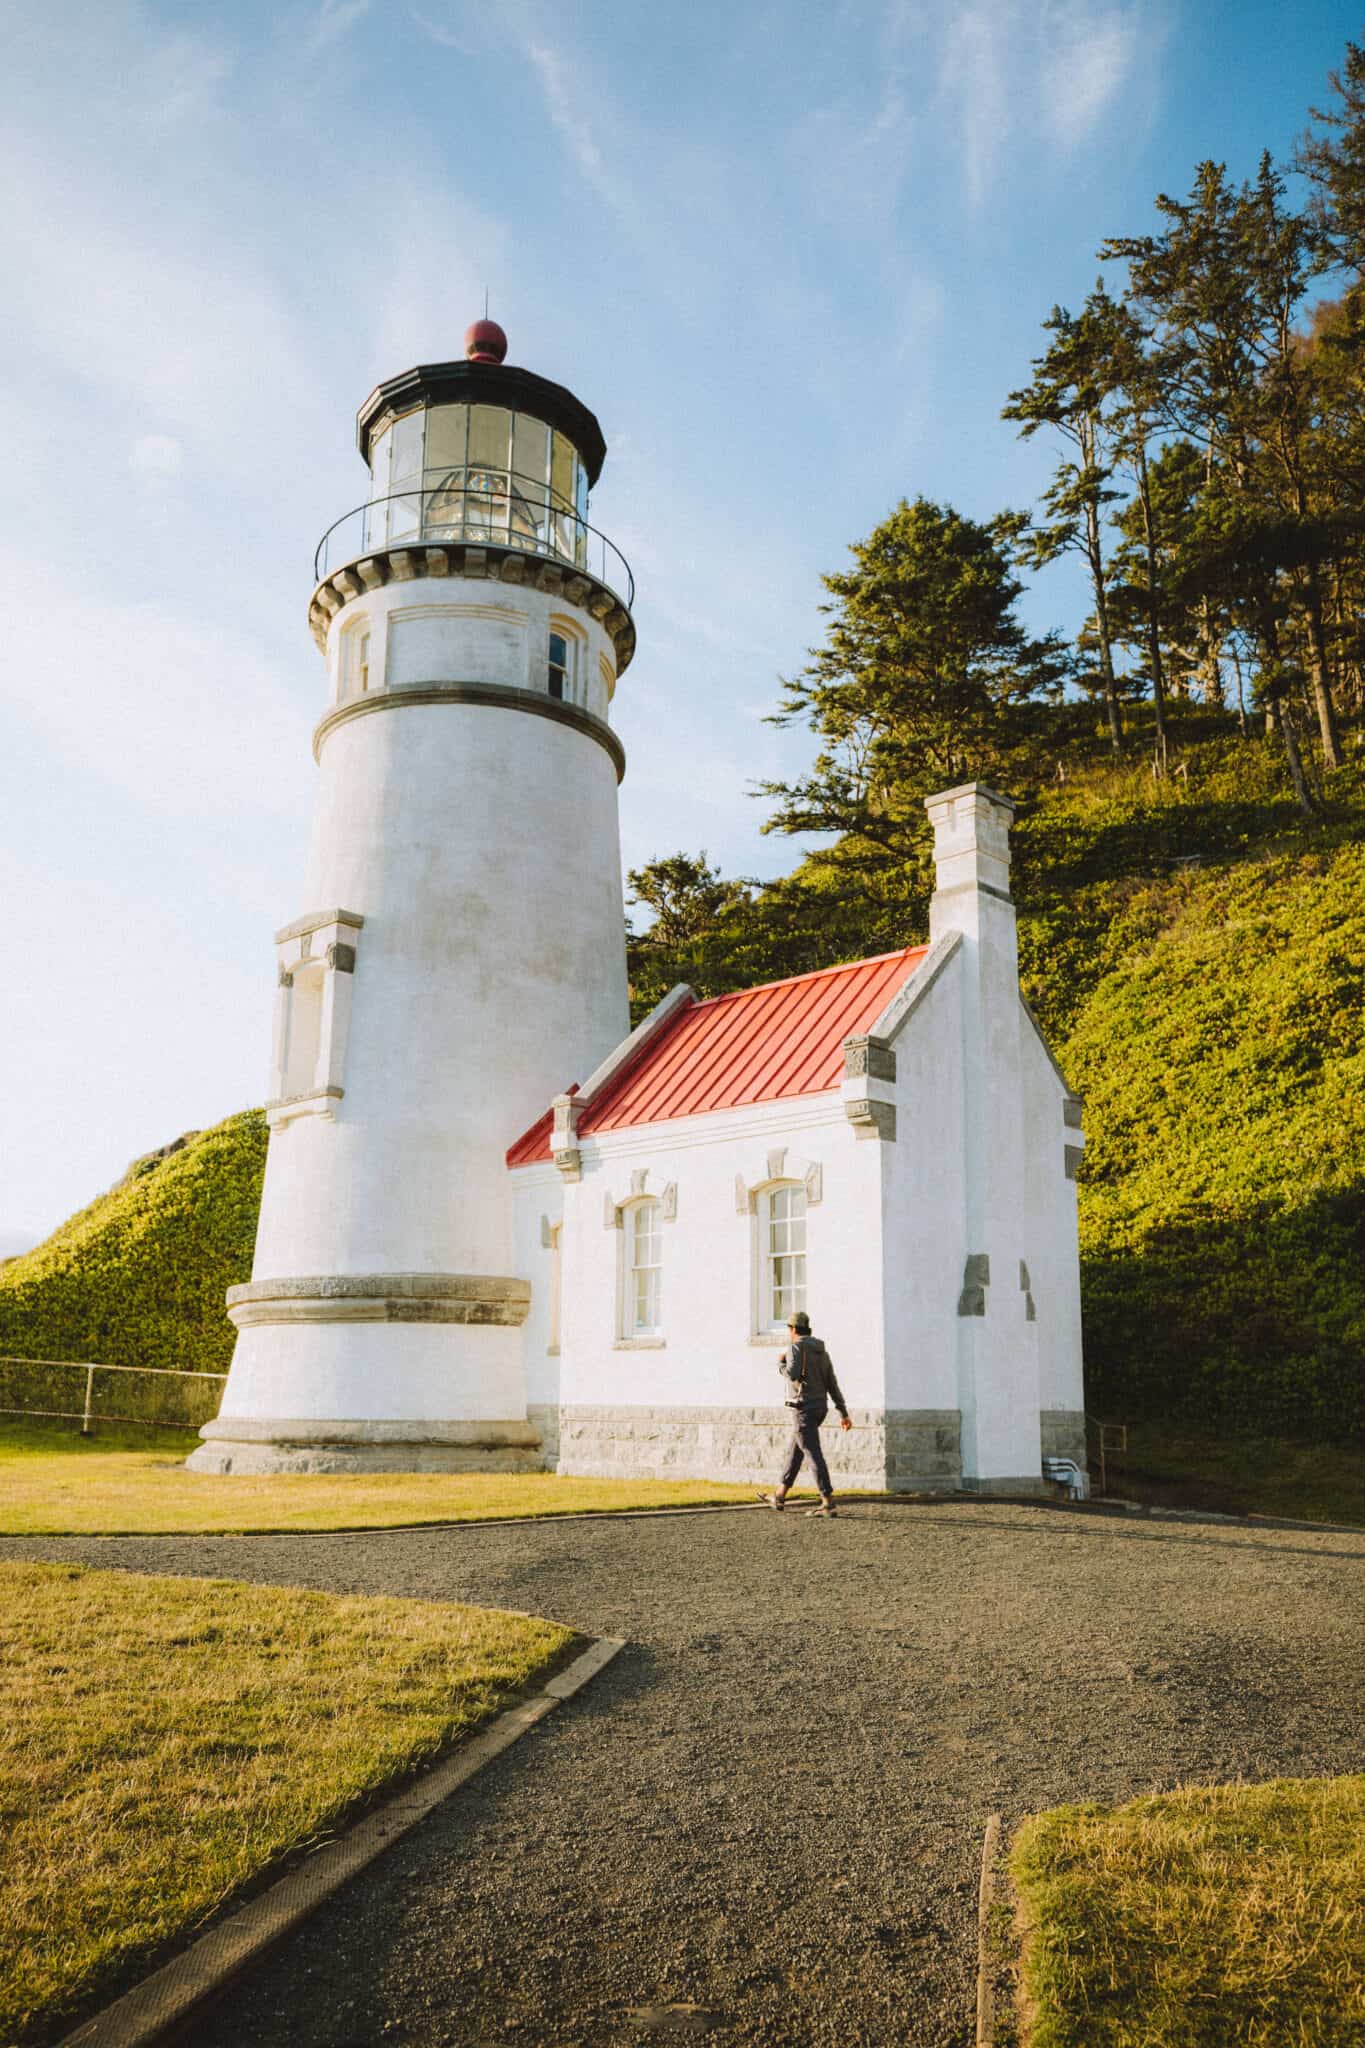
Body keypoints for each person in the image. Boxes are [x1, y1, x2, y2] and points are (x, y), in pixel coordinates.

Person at [758, 1311, 851, 1517]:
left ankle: (827, 1502)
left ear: (792, 1329)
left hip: (803, 1409)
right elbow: (832, 1383)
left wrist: (781, 1363)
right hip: (820, 1408)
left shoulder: (795, 1346)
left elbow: (791, 1374)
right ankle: (779, 1496)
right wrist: (843, 1411)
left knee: (812, 1453)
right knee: (796, 1450)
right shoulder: (822, 1352)